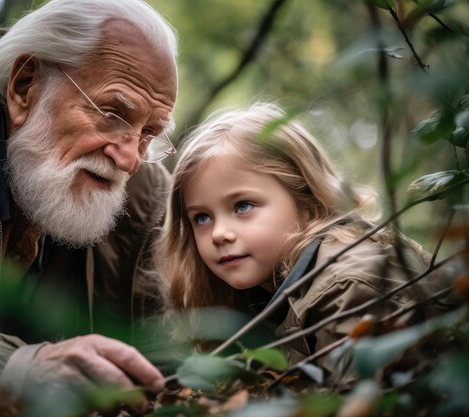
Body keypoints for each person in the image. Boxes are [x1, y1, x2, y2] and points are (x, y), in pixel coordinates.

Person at [0, 0, 178, 414]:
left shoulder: (141, 197)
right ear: (25, 86)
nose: (130, 160)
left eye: (149, 133)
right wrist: (8, 371)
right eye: (112, 113)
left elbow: (170, 358)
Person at [158, 101, 456, 379]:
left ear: (307, 199)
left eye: (243, 206)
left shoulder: (349, 285)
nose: (219, 233)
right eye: (202, 217)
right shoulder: (254, 293)